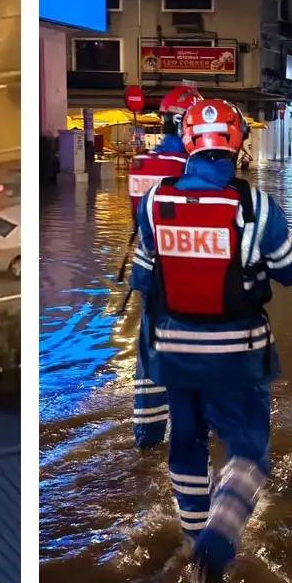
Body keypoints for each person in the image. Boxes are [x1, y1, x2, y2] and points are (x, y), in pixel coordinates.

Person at [129, 97, 292, 583]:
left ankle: (191, 546)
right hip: (238, 355)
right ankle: (215, 550)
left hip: (173, 354)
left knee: (186, 450)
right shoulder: (256, 207)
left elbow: (143, 277)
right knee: (249, 455)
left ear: (187, 143)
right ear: (238, 144)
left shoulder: (156, 201)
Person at [127, 85, 202, 449]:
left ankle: (147, 438)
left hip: (148, 269)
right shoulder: (187, 169)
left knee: (149, 354)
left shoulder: (141, 164)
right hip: (187, 272)